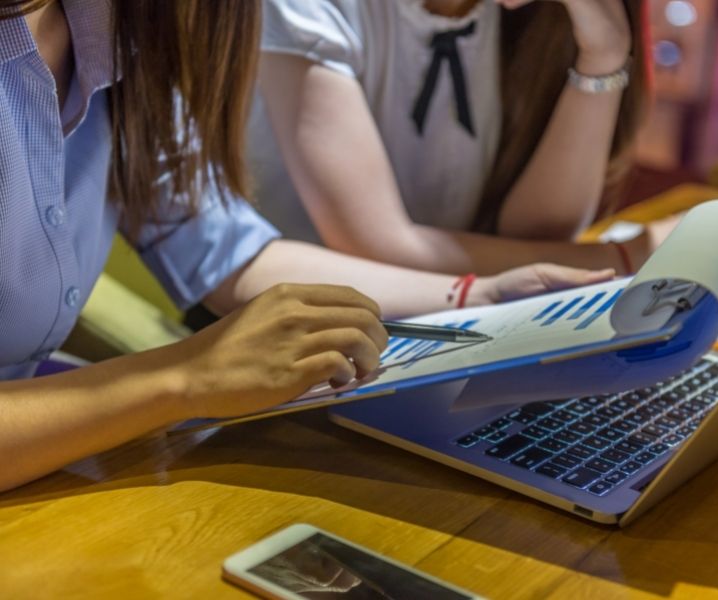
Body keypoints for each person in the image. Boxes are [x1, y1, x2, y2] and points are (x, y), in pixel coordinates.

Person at [0, 0, 614, 492]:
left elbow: (227, 250)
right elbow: (375, 234)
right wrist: (187, 374)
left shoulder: (123, 28)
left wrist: (478, 295)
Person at [251, 0, 673, 276]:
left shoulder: (533, 16)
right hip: (291, 343)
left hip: (457, 325)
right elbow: (375, 246)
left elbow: (537, 237)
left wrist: (603, 53)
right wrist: (624, 259)